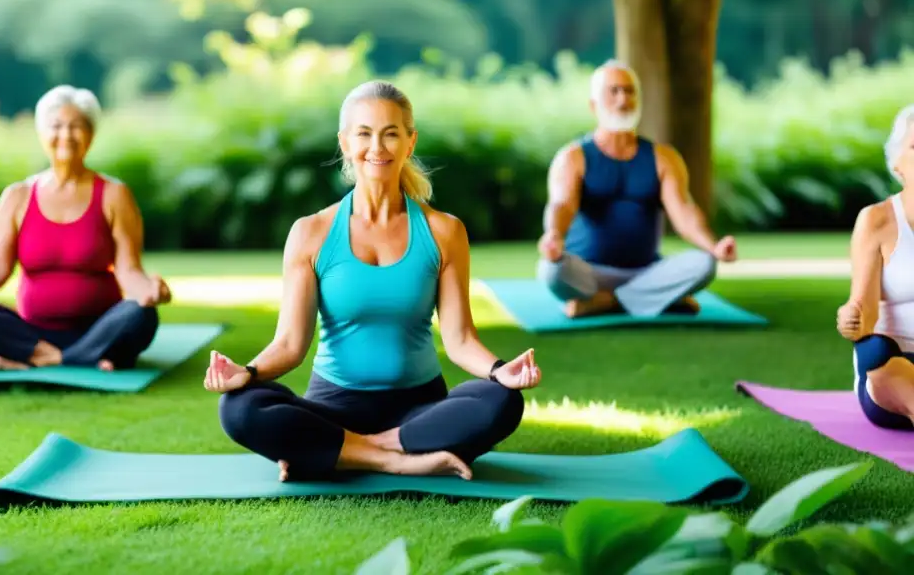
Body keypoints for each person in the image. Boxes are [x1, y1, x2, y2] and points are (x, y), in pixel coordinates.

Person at [203, 80, 541, 481]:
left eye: (390, 134)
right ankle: (396, 459)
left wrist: (500, 370)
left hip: (419, 412)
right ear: (345, 142)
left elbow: (460, 339)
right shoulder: (310, 233)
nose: (377, 148)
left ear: (410, 142)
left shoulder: (444, 232)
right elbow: (290, 344)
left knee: (501, 401)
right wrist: (249, 372)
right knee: (239, 407)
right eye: (364, 134)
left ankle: (338, 452)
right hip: (332, 407)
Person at [0, 85, 168, 372]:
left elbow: (129, 270)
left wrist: (149, 291)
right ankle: (77, 357)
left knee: (142, 315)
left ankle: (50, 358)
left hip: (101, 328)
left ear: (91, 134)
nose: (66, 135)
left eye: (77, 126)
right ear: (42, 134)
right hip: (33, 334)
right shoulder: (17, 197)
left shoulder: (115, 194)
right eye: (56, 126)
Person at [537, 60, 738, 318]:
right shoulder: (573, 157)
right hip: (588, 273)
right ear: (593, 105)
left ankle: (607, 302)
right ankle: (655, 300)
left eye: (630, 91)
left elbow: (684, 213)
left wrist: (714, 247)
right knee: (551, 270)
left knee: (704, 264)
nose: (623, 98)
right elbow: (562, 204)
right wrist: (553, 236)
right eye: (614, 91)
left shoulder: (663, 157)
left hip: (646, 272)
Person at [836, 104, 914, 429]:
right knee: (879, 353)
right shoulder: (876, 220)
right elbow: (863, 312)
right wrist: (850, 320)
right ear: (897, 164)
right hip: (891, 366)